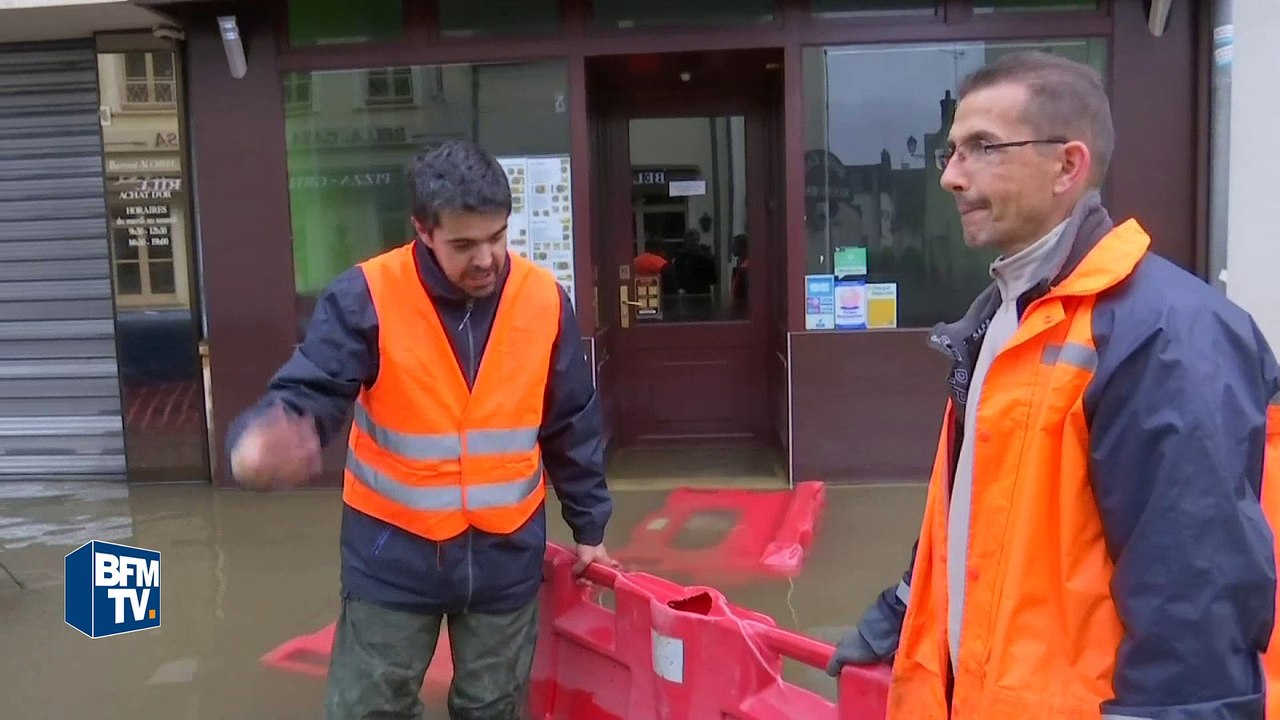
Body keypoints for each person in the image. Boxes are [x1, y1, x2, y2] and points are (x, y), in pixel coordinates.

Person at [826, 51, 1280, 719]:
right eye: (951, 151)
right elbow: (986, 511)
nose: (952, 176)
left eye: (982, 148)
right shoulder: (1005, 317)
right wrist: (902, 609)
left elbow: (1196, 603)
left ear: (1068, 165)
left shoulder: (1163, 335)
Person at [226, 139, 616, 720]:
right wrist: (262, 441)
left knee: (494, 707)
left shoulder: (544, 301)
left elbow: (571, 424)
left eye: (498, 236)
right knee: (369, 709)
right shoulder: (366, 297)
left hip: (505, 557)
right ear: (423, 231)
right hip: (391, 558)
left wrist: (590, 527)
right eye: (464, 244)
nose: (487, 258)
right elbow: (312, 389)